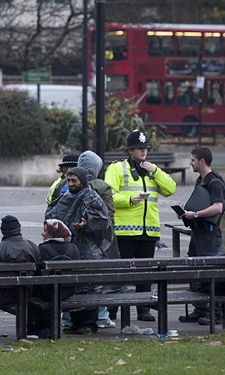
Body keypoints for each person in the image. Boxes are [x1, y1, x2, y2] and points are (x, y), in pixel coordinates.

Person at [104, 130, 177, 322]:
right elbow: (108, 196)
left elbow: (170, 189)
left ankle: (143, 309)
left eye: (145, 148)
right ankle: (112, 311)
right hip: (124, 230)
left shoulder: (153, 170)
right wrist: (129, 199)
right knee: (120, 274)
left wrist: (156, 171)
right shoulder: (117, 169)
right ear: (130, 150)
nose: (143, 151)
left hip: (148, 231)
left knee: (145, 274)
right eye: (139, 148)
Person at [46, 167, 118, 334]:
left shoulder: (92, 197)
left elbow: (103, 223)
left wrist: (86, 225)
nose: (71, 184)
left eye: (74, 181)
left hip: (89, 249)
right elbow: (54, 213)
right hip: (70, 249)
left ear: (83, 182)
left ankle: (89, 323)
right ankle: (74, 322)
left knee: (89, 285)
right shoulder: (65, 197)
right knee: (72, 285)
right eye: (69, 180)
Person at [177, 146, 224, 326]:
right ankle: (199, 309)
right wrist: (186, 213)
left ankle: (215, 313)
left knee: (210, 273)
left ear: (202, 161)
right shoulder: (201, 181)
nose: (190, 163)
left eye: (193, 160)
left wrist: (195, 215)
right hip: (198, 233)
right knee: (195, 272)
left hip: (209, 235)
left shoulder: (215, 182)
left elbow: (218, 207)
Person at [77, 150, 117, 328]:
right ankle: (100, 316)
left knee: (73, 279)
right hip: (95, 242)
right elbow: (109, 215)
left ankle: (69, 317)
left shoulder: (65, 182)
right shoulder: (101, 186)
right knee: (97, 280)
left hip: (72, 241)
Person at [30, 219, 80, 338]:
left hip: (45, 293)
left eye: (46, 231)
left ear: (53, 234)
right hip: (67, 291)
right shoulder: (74, 248)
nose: (42, 234)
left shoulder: (41, 250)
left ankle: (40, 329)